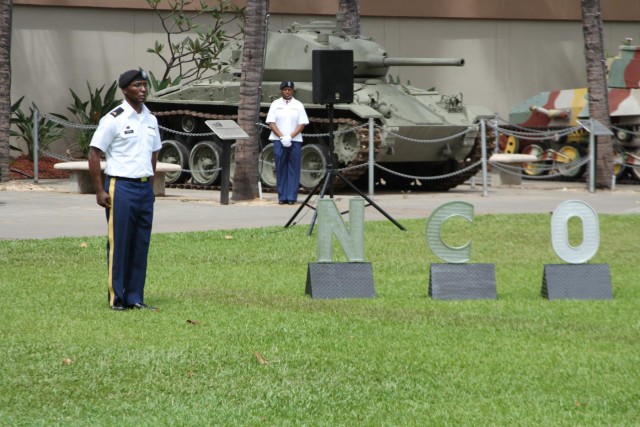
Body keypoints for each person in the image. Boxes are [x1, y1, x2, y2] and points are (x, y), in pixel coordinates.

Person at [88, 68, 162, 311]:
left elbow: (153, 154)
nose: (142, 89)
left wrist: (150, 187)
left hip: (143, 188)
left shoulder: (150, 119)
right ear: (124, 89)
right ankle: (117, 297)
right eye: (137, 85)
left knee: (141, 244)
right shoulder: (114, 118)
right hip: (120, 186)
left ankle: (135, 297)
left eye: (144, 85)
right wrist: (100, 190)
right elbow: (94, 153)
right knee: (119, 243)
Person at [266, 80, 310, 205]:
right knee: (280, 167)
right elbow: (271, 122)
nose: (287, 91)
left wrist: (290, 137)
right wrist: (282, 137)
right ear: (281, 91)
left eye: (289, 90)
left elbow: (302, 123)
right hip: (279, 140)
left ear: (292, 91)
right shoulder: (275, 104)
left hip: (294, 140)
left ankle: (291, 197)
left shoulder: (298, 104)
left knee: (293, 168)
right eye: (285, 89)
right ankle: (282, 196)